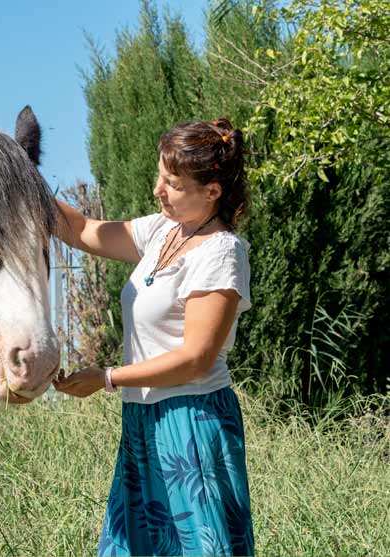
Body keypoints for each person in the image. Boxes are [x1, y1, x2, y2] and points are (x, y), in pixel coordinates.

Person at [53, 119, 255, 557]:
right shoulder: (163, 232)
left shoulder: (221, 252)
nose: (157, 190)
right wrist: (21, 183)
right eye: (160, 176)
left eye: (173, 183)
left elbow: (196, 359)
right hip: (143, 420)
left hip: (192, 422)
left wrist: (107, 377)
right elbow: (82, 231)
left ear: (212, 191)